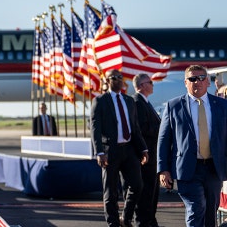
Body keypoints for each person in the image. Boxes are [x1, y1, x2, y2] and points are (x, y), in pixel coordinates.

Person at [157, 65, 227, 227]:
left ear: (208, 82)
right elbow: (164, 139)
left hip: (213, 167)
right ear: (185, 83)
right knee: (196, 208)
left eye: (202, 78)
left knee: (211, 211)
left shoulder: (221, 105)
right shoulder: (174, 106)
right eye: (193, 79)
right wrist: (163, 169)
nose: (198, 82)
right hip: (188, 169)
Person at [91, 69, 149, 227]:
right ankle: (113, 224)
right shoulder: (100, 101)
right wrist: (99, 152)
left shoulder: (128, 100)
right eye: (114, 78)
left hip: (129, 149)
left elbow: (135, 127)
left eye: (120, 78)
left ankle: (126, 217)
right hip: (110, 151)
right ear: (108, 81)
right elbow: (95, 129)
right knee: (110, 192)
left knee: (137, 185)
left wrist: (143, 149)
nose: (118, 80)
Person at [131, 73, 161, 227]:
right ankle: (143, 222)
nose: (152, 84)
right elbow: (140, 129)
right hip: (145, 156)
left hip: (153, 155)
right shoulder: (137, 102)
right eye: (150, 82)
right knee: (146, 192)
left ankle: (150, 220)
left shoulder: (146, 102)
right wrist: (161, 129)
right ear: (142, 85)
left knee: (153, 192)